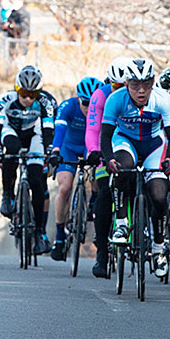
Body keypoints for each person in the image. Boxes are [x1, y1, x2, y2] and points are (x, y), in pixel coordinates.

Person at [101, 58, 170, 278]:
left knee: (160, 194)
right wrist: (108, 159)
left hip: (154, 144)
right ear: (126, 85)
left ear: (153, 82)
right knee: (122, 168)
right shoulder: (115, 100)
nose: (141, 91)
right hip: (126, 141)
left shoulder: (163, 100)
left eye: (146, 84)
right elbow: (105, 136)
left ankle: (159, 248)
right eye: (135, 85)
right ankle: (122, 223)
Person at [0, 65, 56, 255]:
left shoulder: (45, 102)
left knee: (37, 181)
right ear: (16, 89)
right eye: (24, 93)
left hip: (34, 135)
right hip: (11, 131)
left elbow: (47, 130)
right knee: (11, 150)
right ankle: (7, 195)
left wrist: (49, 152)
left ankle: (37, 232)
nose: (28, 99)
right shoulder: (6, 99)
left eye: (33, 94)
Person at [84, 57, 133, 278]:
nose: (120, 90)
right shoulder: (101, 95)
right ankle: (102, 254)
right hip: (107, 147)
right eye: (115, 86)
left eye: (124, 86)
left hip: (134, 145)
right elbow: (93, 129)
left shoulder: (144, 96)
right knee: (104, 194)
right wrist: (95, 151)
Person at [47, 76, 101, 261]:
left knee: (96, 170)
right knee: (64, 188)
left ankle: (93, 199)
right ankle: (60, 235)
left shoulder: (102, 109)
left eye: (93, 103)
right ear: (79, 99)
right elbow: (59, 130)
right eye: (86, 103)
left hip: (89, 146)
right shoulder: (68, 106)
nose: (89, 108)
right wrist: (55, 151)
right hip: (69, 147)